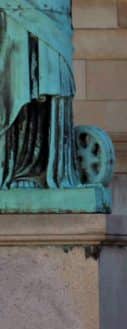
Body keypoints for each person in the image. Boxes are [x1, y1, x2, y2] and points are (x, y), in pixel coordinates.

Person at [0, 0, 78, 189]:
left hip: (55, 10)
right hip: (16, 10)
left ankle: (50, 167)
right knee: (23, 85)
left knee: (53, 83)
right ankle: (23, 170)